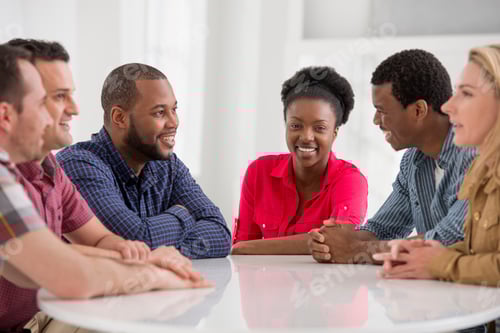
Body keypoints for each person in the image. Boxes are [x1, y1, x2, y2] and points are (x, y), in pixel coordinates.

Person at [0, 44, 209, 333]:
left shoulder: (48, 167)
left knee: (136, 309)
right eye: (49, 100)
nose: (73, 109)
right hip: (31, 318)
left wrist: (148, 261)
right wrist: (154, 274)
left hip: (39, 314)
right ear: (7, 115)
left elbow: (72, 251)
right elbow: (67, 273)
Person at [375, 43, 500, 333]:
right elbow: (476, 250)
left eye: (466, 94)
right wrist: (424, 251)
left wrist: (442, 262)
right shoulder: (484, 171)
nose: (448, 106)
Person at [309, 49, 475, 264]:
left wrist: (353, 250)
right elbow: (382, 229)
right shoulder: (413, 161)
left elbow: (449, 241)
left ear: (418, 111)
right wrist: (332, 241)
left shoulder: (474, 155)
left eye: (382, 111)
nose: (376, 121)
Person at [56, 63, 231, 259]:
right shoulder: (78, 164)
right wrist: (184, 214)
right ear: (120, 117)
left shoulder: (169, 165)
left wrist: (166, 253)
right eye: (159, 112)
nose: (174, 122)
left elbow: (220, 234)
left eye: (174, 109)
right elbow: (132, 240)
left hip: (158, 287)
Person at [232, 66, 368, 254]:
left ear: (334, 133)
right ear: (286, 126)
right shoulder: (258, 172)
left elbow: (341, 241)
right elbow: (240, 254)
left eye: (319, 128)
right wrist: (244, 247)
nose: (306, 136)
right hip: (265, 283)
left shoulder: (350, 180)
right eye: (296, 125)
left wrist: (249, 247)